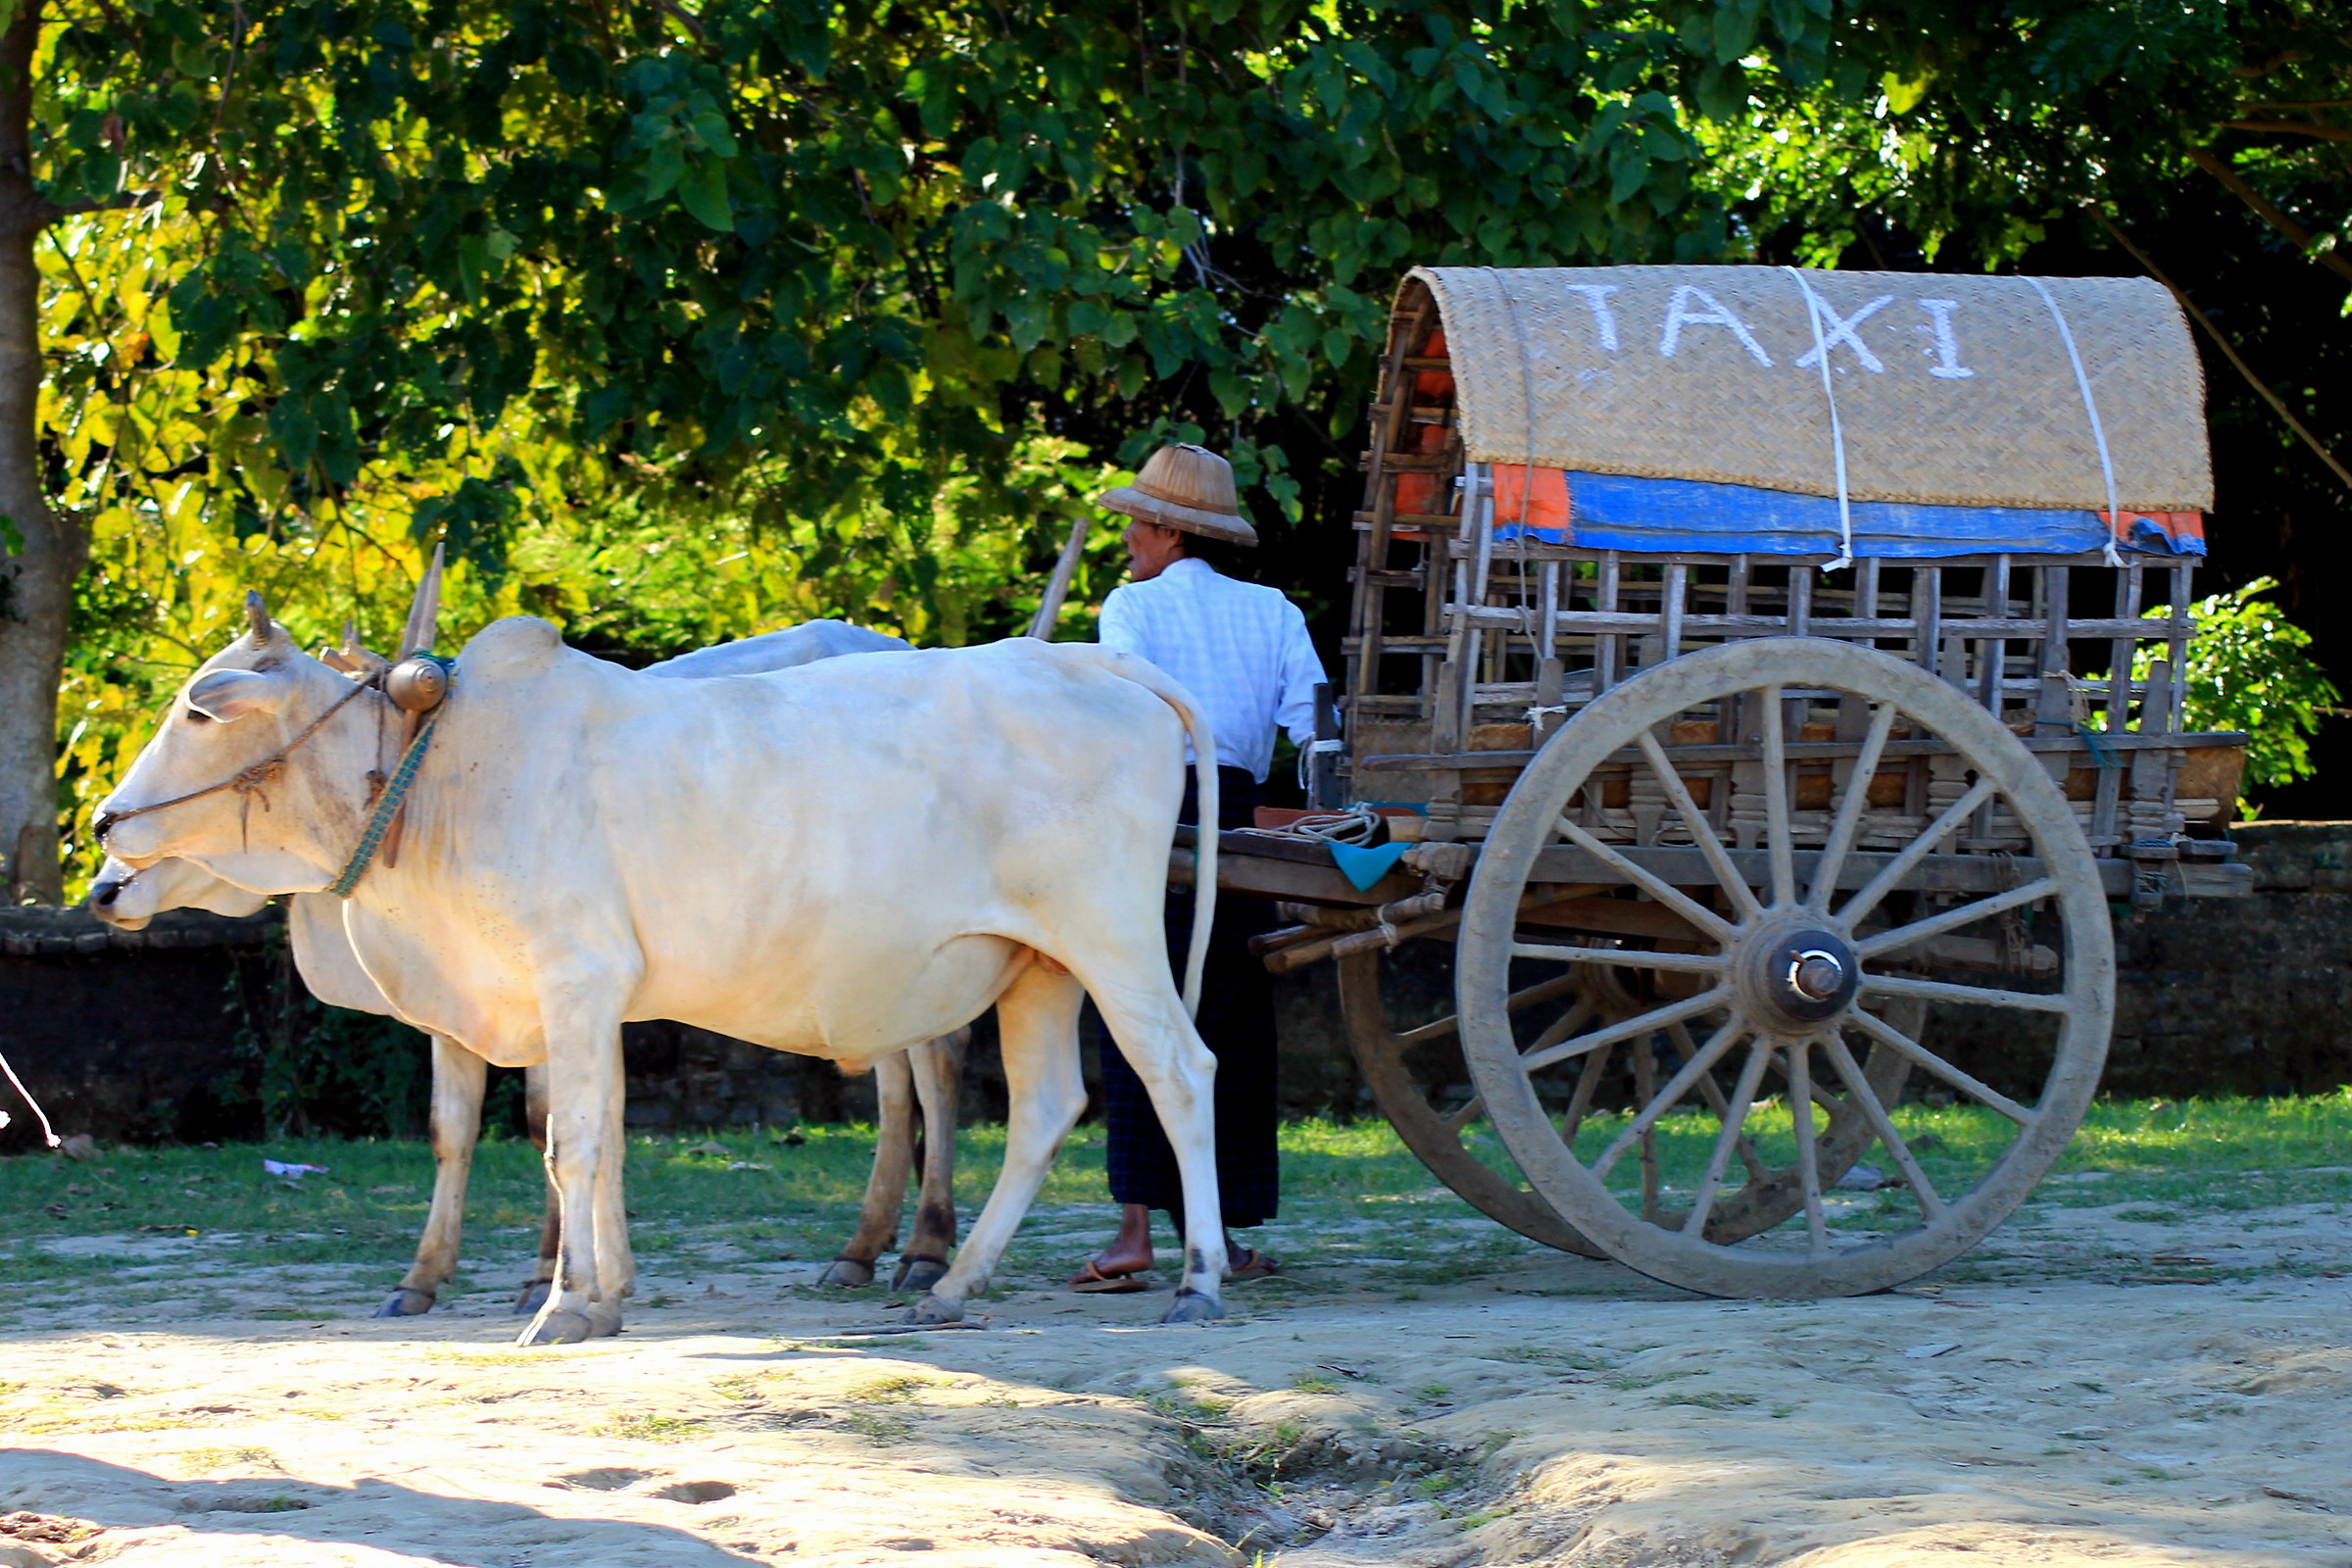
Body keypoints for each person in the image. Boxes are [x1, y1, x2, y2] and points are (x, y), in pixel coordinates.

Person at [1070, 442, 1328, 1294]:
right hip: (1242, 823)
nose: (1128, 544)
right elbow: (1313, 725)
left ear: (1167, 531)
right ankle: (1221, 1233)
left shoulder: (1131, 609)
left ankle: (1137, 1231)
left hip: (1155, 816)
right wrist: (1319, 811)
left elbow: (1125, 715)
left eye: (1136, 528)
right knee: (1233, 1018)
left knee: (1137, 1008)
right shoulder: (1274, 612)